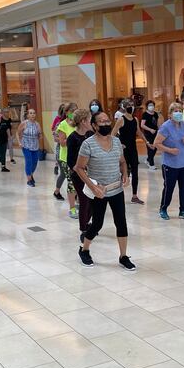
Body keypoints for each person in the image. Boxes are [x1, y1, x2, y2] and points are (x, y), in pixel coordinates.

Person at [74, 112, 136, 271]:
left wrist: (125, 174)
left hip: (116, 189)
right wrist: (93, 187)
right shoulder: (88, 144)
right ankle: (84, 249)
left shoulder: (116, 141)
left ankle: (123, 256)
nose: (106, 124)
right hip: (99, 192)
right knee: (97, 223)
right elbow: (79, 168)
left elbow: (122, 162)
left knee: (121, 222)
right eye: (101, 122)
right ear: (94, 126)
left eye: (107, 121)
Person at [155, 102, 184, 221]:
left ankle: (183, 210)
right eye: (175, 111)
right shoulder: (166, 127)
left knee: (183, 188)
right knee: (169, 187)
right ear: (170, 114)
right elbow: (156, 143)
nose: (178, 113)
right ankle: (163, 209)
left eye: (180, 111)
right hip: (170, 164)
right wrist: (170, 150)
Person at [113, 98, 148, 205]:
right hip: (124, 150)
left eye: (132, 105)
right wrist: (119, 144)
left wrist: (146, 142)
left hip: (133, 149)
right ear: (124, 107)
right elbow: (112, 134)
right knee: (123, 173)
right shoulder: (121, 119)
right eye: (128, 105)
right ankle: (118, 196)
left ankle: (134, 196)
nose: (131, 107)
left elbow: (138, 132)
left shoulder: (135, 119)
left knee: (135, 172)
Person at [67, 109, 94, 238]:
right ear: (83, 121)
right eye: (89, 120)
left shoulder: (90, 135)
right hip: (78, 174)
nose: (91, 122)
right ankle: (83, 228)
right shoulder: (72, 138)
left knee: (93, 200)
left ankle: (87, 222)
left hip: (91, 174)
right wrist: (80, 170)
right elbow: (70, 160)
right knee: (84, 200)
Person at [54, 103, 79, 218]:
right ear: (67, 112)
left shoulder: (78, 124)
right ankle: (72, 209)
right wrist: (73, 139)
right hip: (66, 158)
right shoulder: (63, 125)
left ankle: (79, 203)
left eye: (76, 111)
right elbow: (62, 143)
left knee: (80, 182)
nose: (74, 113)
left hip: (79, 158)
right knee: (71, 183)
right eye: (72, 111)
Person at [16, 108, 42, 187]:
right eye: (30, 113)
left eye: (34, 113)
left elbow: (40, 134)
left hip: (35, 146)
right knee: (29, 162)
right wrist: (19, 142)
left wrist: (40, 136)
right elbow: (17, 133)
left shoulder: (37, 124)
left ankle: (30, 174)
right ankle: (29, 180)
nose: (32, 115)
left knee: (35, 162)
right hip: (26, 146)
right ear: (27, 115)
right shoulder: (24, 123)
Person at [141, 100, 160, 170]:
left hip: (155, 133)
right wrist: (150, 130)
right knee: (150, 148)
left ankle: (148, 159)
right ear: (147, 106)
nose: (151, 106)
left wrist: (159, 129)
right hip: (148, 134)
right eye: (149, 105)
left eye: (152, 105)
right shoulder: (145, 114)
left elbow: (157, 123)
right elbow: (142, 125)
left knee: (155, 147)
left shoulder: (155, 114)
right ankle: (151, 164)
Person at [51, 104, 65, 176]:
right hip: (59, 138)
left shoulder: (70, 117)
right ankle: (56, 166)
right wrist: (55, 134)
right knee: (58, 154)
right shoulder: (57, 118)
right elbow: (53, 128)